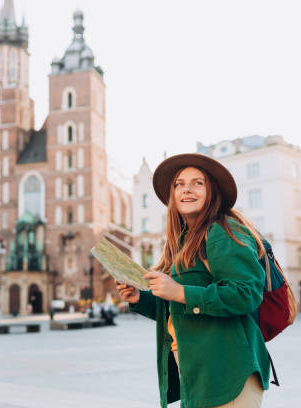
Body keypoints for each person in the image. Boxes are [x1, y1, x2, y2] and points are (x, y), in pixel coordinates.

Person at [116, 153, 270, 408]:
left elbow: (247, 293)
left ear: (212, 191)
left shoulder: (221, 231)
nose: (187, 189)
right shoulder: (184, 240)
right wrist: (139, 298)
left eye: (198, 183)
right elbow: (181, 310)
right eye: (179, 184)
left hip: (227, 373)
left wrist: (180, 292)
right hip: (198, 374)